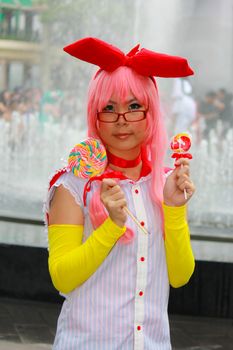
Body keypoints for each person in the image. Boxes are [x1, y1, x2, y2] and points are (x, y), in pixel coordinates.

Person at [45, 37, 195, 350]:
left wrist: (174, 208)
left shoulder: (164, 184)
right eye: (109, 109)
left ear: (151, 113)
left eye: (134, 107)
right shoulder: (72, 186)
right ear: (95, 117)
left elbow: (180, 276)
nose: (122, 120)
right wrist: (112, 225)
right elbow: (62, 277)